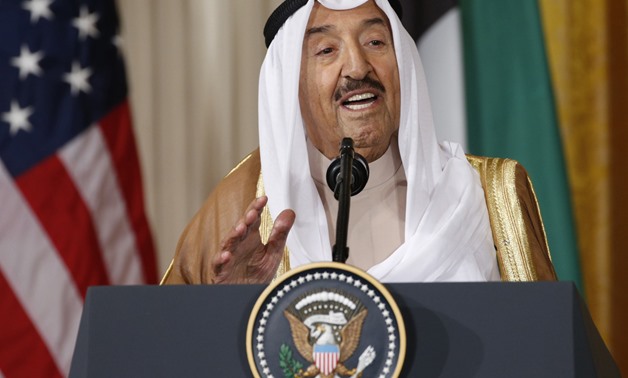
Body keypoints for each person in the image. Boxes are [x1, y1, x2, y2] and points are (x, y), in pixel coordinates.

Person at [161, 0, 556, 285]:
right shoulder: (241, 203)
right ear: (289, 86)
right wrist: (233, 311)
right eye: (326, 50)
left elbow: (548, 348)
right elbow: (162, 350)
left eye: (375, 42)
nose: (357, 67)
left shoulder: (490, 193)